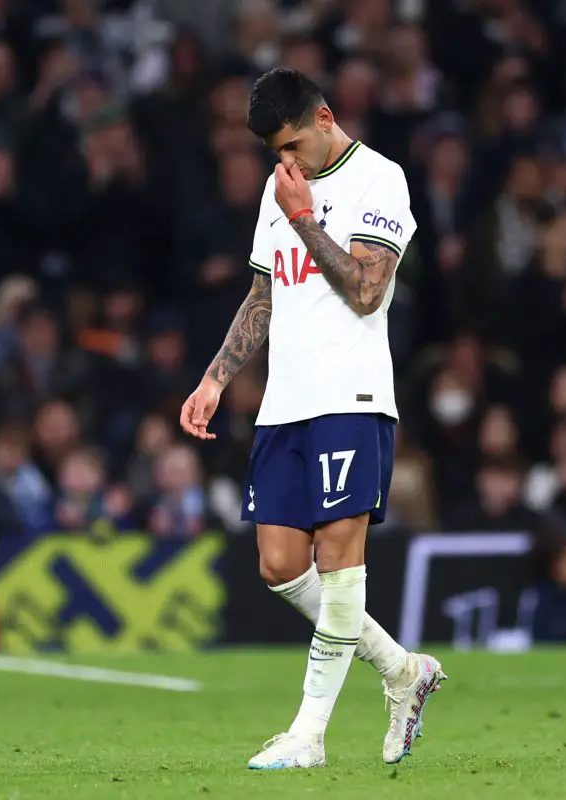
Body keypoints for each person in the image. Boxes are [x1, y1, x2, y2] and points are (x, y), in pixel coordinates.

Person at [179, 68, 444, 770]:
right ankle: (403, 671)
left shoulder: (379, 180)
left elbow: (365, 290)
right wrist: (216, 377)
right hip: (284, 405)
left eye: (293, 144)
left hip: (350, 398)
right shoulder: (279, 188)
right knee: (279, 565)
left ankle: (310, 735)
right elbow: (264, 293)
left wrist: (303, 217)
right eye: (275, 153)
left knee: (337, 560)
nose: (285, 163)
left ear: (326, 118)